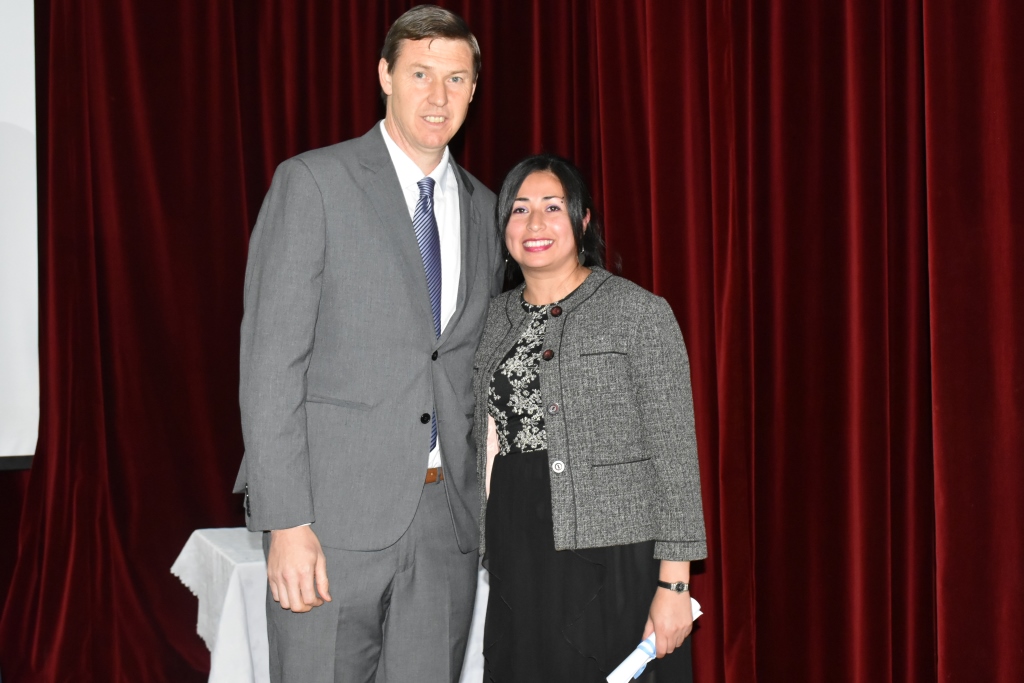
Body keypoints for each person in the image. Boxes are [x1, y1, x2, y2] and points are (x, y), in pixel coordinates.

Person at [234, 6, 502, 682]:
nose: (437, 96)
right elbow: (270, 365)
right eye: (420, 73)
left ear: (474, 90)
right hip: (328, 526)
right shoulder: (314, 184)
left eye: (456, 78)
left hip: (445, 525)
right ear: (384, 75)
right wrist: (286, 522)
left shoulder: (486, 208)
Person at [472, 154, 708, 682]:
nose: (534, 224)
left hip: (617, 558)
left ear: (582, 220)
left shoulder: (638, 312)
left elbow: (675, 456)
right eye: (519, 210)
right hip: (520, 552)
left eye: (552, 207)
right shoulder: (492, 319)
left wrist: (675, 585)